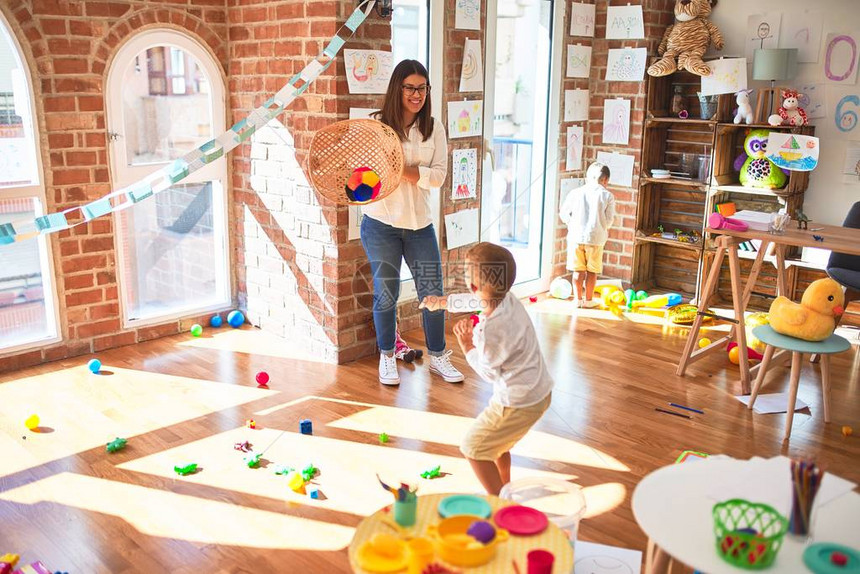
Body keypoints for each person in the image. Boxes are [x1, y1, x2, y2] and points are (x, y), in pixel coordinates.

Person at [361, 59, 464, 386]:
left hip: (420, 226)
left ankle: (438, 357)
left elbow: (439, 178)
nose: (416, 94)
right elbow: (369, 174)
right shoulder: (377, 126)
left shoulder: (435, 128)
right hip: (380, 224)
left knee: (432, 293)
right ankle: (387, 356)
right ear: (398, 89)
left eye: (422, 88)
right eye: (410, 88)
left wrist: (401, 170)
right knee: (385, 293)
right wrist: (400, 173)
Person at [420, 243, 554, 495]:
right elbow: (478, 298)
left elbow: (488, 373)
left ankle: (498, 504)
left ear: (473, 286)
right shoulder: (507, 298)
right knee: (497, 444)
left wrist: (468, 345)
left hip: (517, 402)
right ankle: (505, 488)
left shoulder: (490, 329)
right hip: (540, 391)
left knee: (474, 448)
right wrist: (442, 302)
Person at [559, 162, 616, 308]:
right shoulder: (607, 196)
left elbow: (564, 213)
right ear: (605, 180)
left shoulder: (575, 192)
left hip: (575, 237)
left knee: (577, 270)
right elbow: (609, 220)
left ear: (587, 177)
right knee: (592, 271)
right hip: (596, 239)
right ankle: (589, 300)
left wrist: (571, 224)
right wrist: (603, 227)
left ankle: (578, 300)